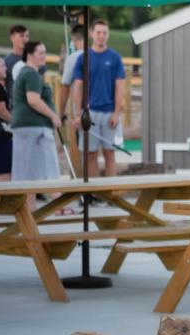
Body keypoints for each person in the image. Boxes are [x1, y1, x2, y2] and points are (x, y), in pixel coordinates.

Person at [10, 41, 63, 210]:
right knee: (48, 168)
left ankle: (30, 212)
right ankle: (59, 205)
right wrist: (53, 115)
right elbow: (33, 99)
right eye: (41, 53)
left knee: (28, 174)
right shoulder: (31, 74)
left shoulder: (25, 73)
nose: (44, 56)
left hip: (25, 127)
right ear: (30, 55)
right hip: (35, 128)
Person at [70, 19, 127, 177]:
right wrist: (78, 114)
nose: (101, 36)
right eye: (98, 32)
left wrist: (116, 113)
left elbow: (119, 87)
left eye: (104, 33)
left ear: (108, 35)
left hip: (109, 114)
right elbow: (78, 87)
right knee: (90, 155)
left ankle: (110, 194)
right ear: (91, 34)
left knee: (110, 154)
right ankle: (94, 195)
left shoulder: (115, 58)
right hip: (89, 114)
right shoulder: (83, 58)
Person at [57, 22, 86, 174]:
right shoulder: (99, 54)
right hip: (101, 109)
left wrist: (60, 113)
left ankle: (85, 189)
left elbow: (65, 87)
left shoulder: (74, 57)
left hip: (81, 111)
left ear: (74, 41)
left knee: (84, 152)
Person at [2, 23, 29, 101]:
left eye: (27, 36)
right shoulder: (5, 62)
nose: (25, 39)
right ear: (12, 38)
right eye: (21, 36)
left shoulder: (34, 59)